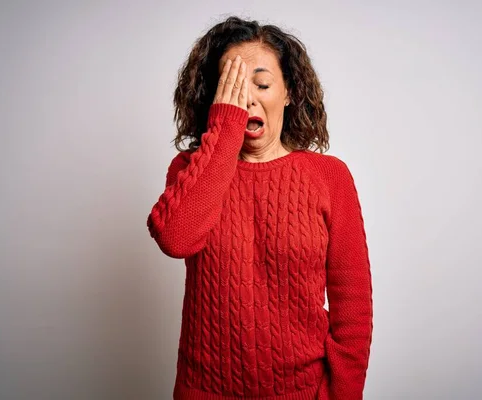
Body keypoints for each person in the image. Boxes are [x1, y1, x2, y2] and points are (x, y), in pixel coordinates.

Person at [147, 16, 373, 400]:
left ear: (288, 92)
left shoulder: (330, 177)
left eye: (262, 84)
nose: (247, 98)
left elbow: (353, 310)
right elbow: (176, 239)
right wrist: (225, 126)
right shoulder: (188, 171)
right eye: (231, 88)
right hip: (204, 391)